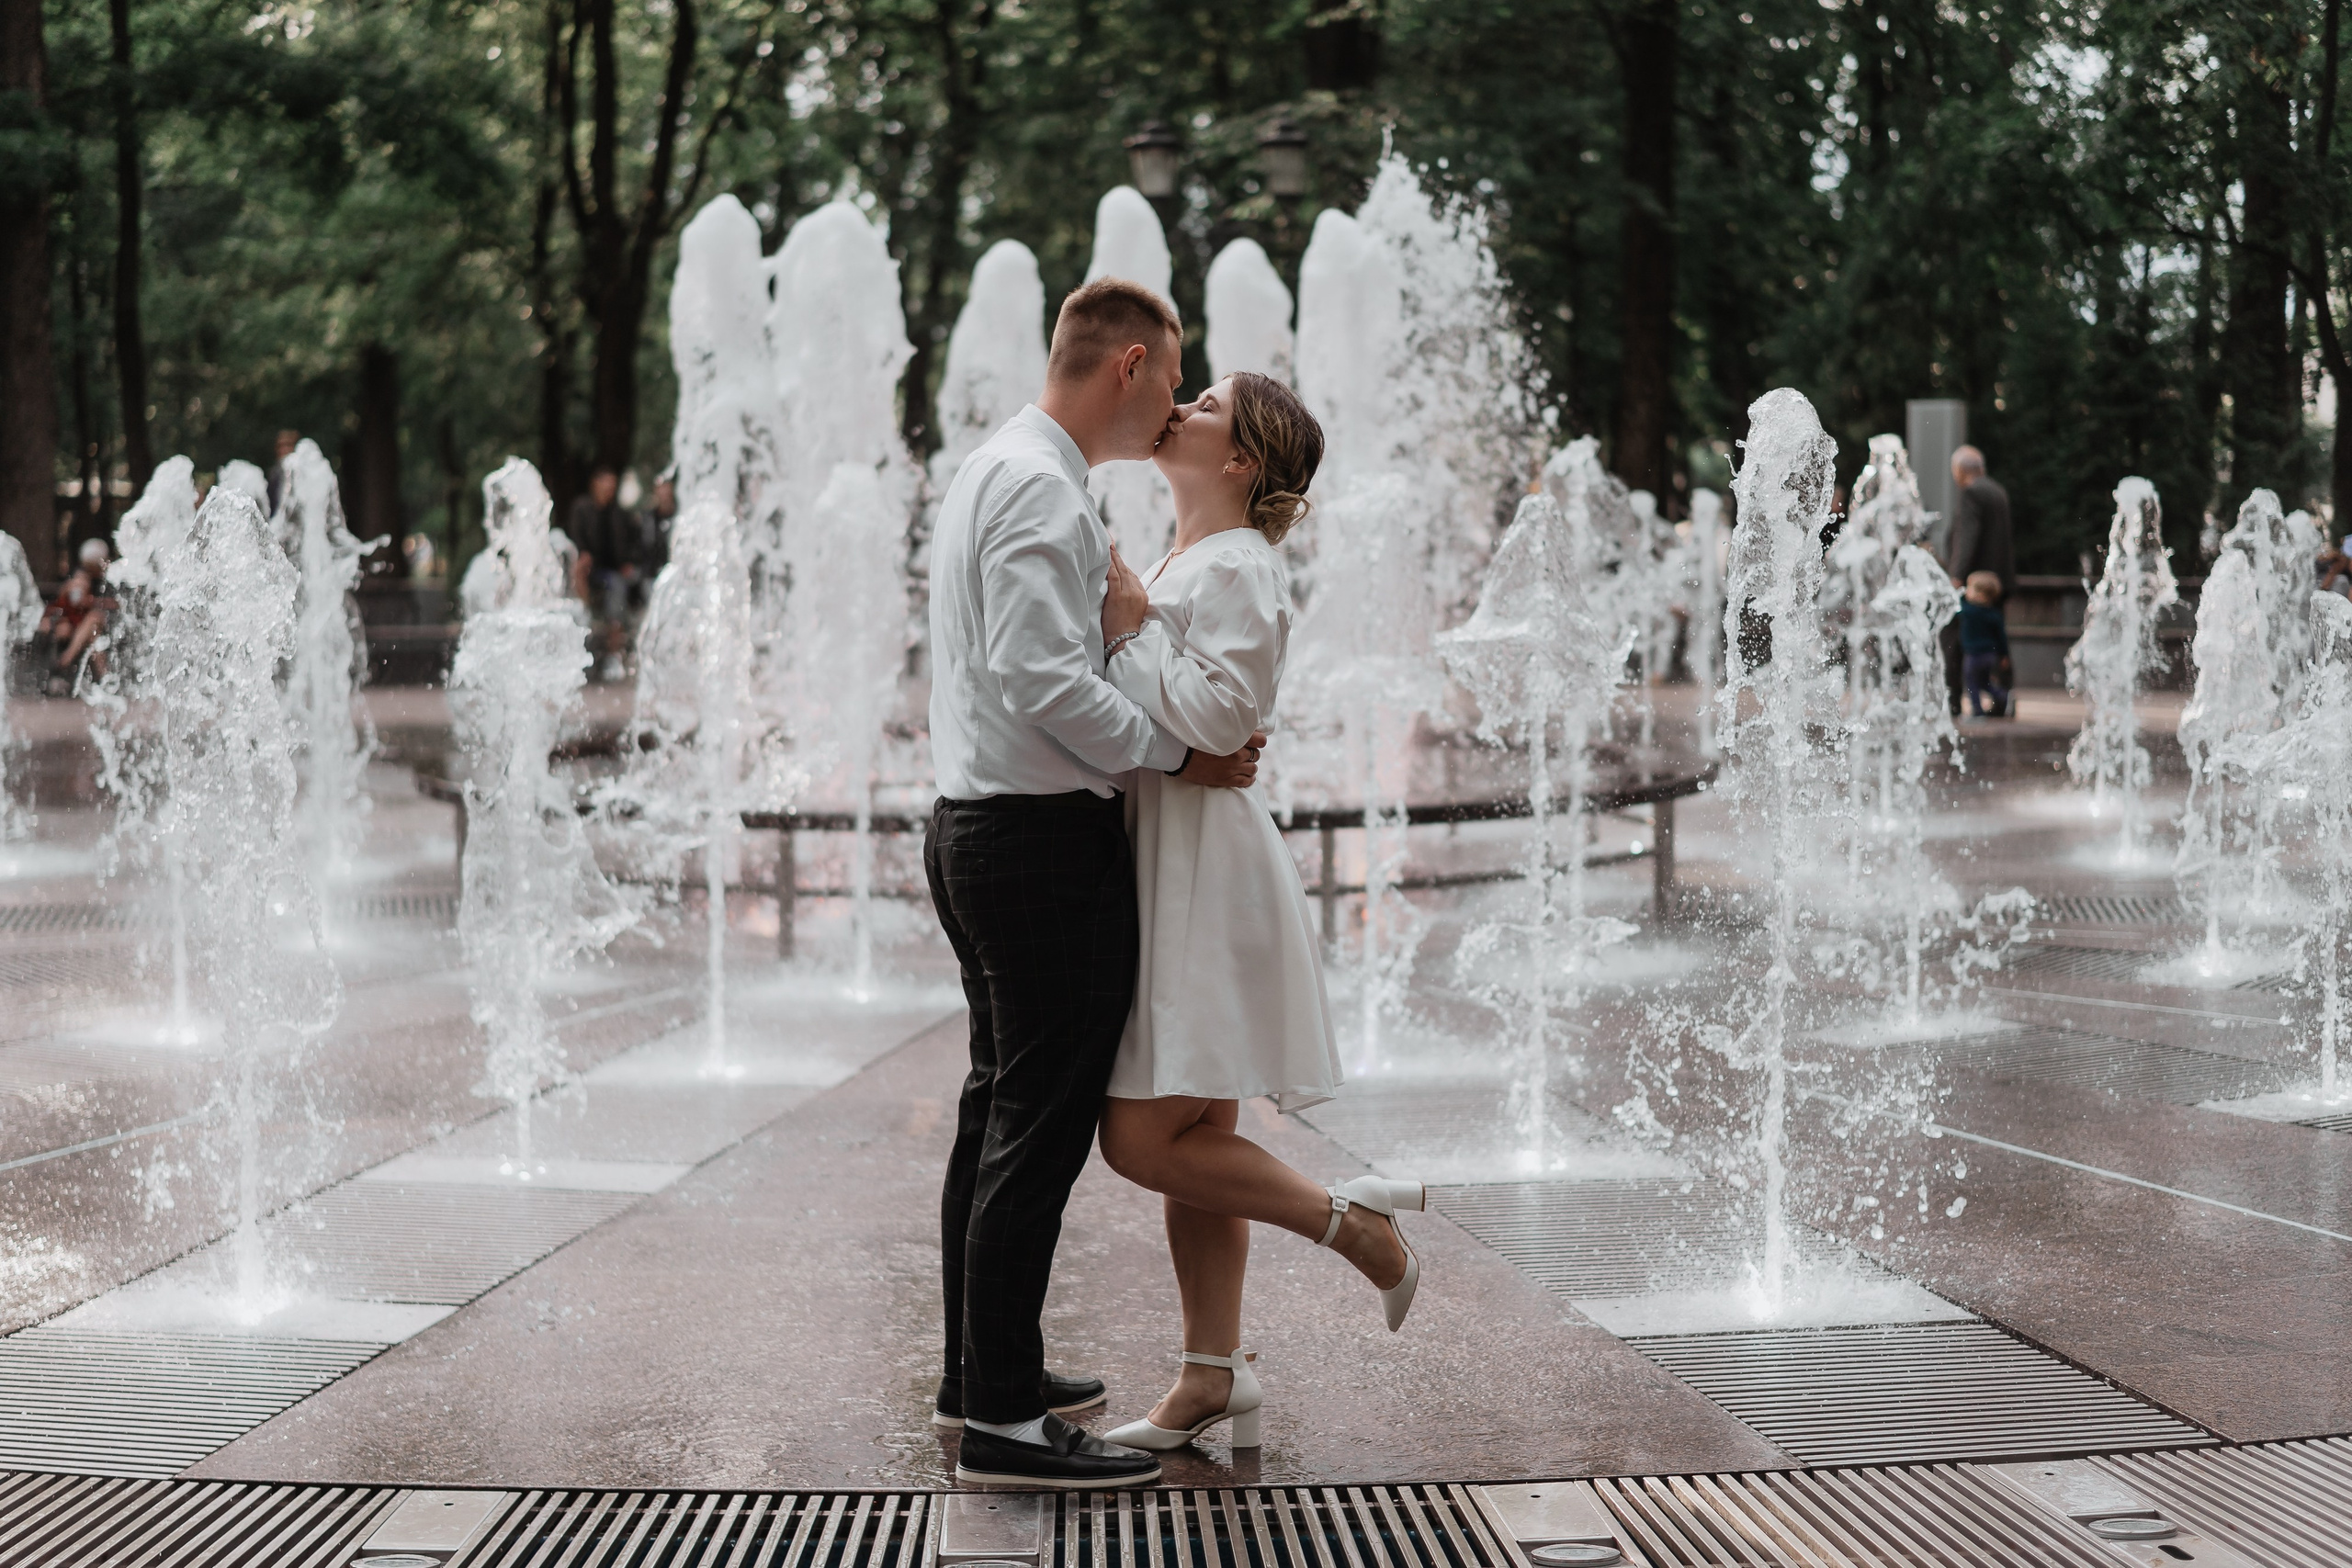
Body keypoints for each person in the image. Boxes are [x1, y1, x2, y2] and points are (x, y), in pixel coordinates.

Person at [923, 276, 1264, 1491]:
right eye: (1173, 374)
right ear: (1129, 365)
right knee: (1034, 1129)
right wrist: (1180, 754)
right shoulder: (1040, 486)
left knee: (997, 1113)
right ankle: (1007, 1424)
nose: (1176, 399)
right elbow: (1039, 681)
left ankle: (982, 1373)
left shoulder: (1001, 466)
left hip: (984, 828)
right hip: (1032, 845)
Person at [1092, 372, 1425, 1458]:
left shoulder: (1238, 564)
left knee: (1141, 1137)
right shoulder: (1188, 558)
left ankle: (1353, 1226)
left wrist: (1130, 634)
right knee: (1199, 1134)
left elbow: (1218, 716)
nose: (1179, 406)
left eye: (1204, 406)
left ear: (1238, 460)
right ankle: (1211, 1371)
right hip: (1170, 850)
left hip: (1199, 866)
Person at [1939, 445, 2014, 716]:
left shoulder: (1971, 493)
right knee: (1995, 638)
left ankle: (1953, 699)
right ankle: (2004, 697)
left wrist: (1957, 576)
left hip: (1976, 584)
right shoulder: (1997, 491)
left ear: (1959, 471)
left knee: (1952, 638)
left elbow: (1967, 537)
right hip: (1998, 581)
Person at [566, 468, 638, 672]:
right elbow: (575, 537)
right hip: (588, 569)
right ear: (595, 485)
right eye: (606, 486)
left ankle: (615, 652)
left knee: (620, 585)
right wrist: (583, 554)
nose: (609, 491)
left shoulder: (619, 514)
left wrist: (628, 562)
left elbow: (631, 543)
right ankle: (586, 619)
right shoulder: (582, 509)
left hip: (612, 572)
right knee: (583, 572)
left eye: (612, 487)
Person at [40, 539, 114, 689]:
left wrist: (90, 602)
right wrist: (66, 593)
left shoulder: (110, 578)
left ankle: (65, 661)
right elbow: (62, 608)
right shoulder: (76, 582)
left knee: (94, 620)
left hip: (100, 624)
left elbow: (116, 604)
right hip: (80, 627)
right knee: (92, 636)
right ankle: (106, 680)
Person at [1959, 570, 2011, 718]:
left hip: (1973, 655)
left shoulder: (1969, 611)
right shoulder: (1994, 615)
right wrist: (2004, 655)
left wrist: (1956, 592)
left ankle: (1977, 712)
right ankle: (2003, 695)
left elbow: (1957, 606)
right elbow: (2001, 638)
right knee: (1984, 682)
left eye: (1969, 588)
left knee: (1971, 683)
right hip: (1990, 655)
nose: (1966, 592)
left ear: (1980, 594)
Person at [265, 429, 300, 515]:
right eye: (280, 446)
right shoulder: (273, 475)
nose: (284, 450)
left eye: (288, 445)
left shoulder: (305, 475)